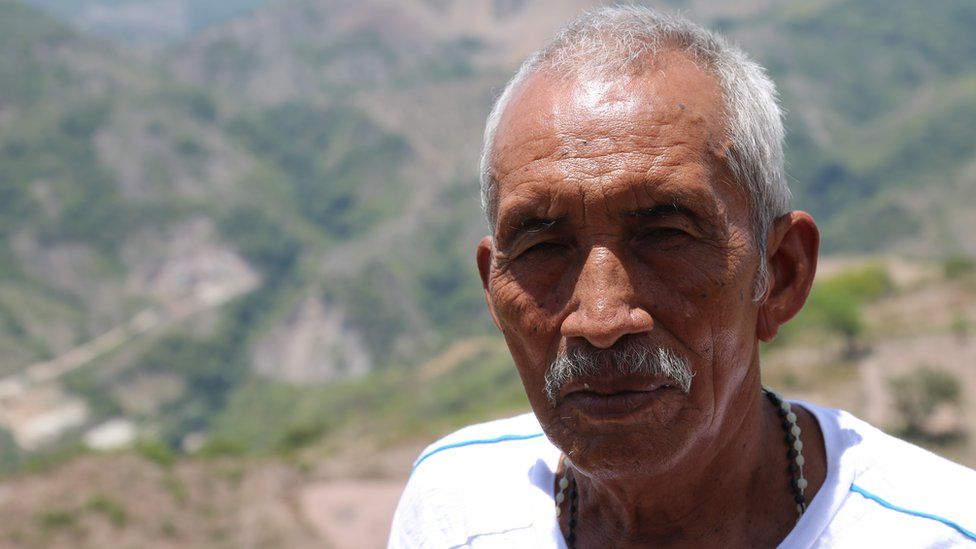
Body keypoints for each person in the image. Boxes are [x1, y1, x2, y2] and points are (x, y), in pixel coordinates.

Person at [389, 6, 976, 548]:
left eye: (665, 237)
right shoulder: (454, 508)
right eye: (543, 246)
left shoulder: (940, 533)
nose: (601, 320)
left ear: (781, 273)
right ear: (494, 290)